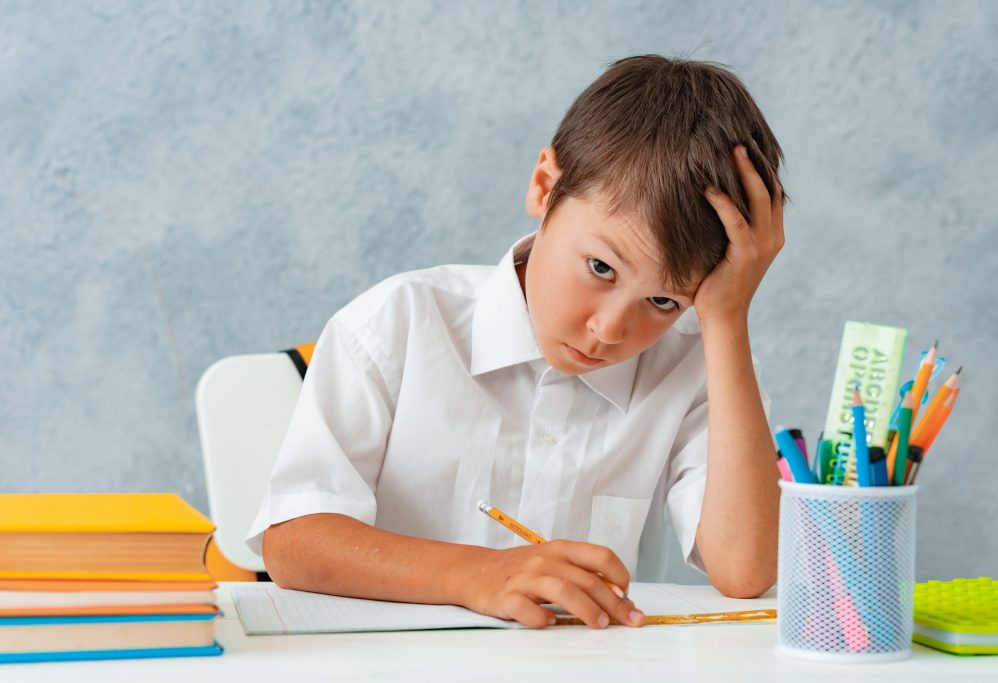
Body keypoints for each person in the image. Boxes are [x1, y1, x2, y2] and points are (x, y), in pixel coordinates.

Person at [247, 54, 786, 630]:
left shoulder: (699, 367)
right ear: (545, 187)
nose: (609, 330)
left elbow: (745, 571)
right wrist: (476, 574)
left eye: (662, 302)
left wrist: (727, 315)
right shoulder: (398, 321)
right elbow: (294, 542)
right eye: (601, 267)